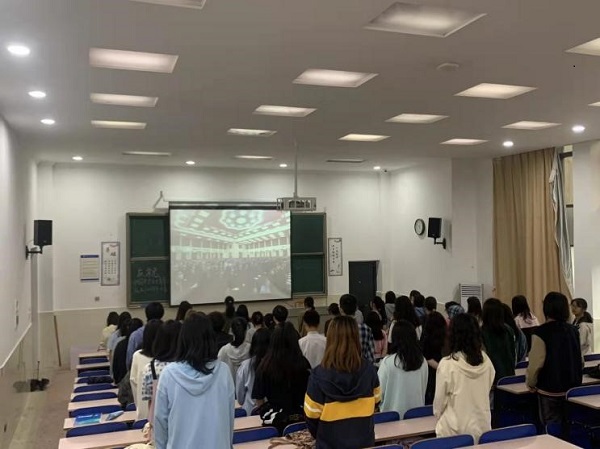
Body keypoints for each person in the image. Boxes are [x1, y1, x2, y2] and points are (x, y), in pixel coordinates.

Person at [154, 313, 234, 449]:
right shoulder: (223, 372)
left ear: (182, 340)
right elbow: (229, 418)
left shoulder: (168, 374)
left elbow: (160, 422)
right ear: (211, 339)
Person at [304, 316, 381, 449]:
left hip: (329, 444)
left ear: (330, 339)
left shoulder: (317, 376)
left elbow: (311, 417)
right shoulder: (369, 370)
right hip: (364, 442)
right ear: (356, 338)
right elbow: (376, 402)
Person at [434, 313, 495, 442]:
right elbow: (488, 388)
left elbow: (439, 404)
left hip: (453, 432)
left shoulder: (447, 364)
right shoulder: (487, 361)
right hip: (482, 428)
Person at [527, 292, 582, 428]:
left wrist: (531, 383)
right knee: (569, 428)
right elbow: (581, 361)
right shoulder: (573, 330)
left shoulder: (540, 332)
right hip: (571, 389)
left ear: (546, 309)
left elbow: (536, 363)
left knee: (551, 429)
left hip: (549, 389)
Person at [252, 322, 311, 433]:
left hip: (274, 422)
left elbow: (259, 397)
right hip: (300, 420)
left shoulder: (265, 366)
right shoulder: (303, 364)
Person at [378, 320, 428, 418]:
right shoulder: (422, 361)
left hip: (391, 418)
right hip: (417, 416)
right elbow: (423, 389)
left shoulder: (387, 362)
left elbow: (379, 393)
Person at [138, 320, 182, 426]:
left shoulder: (150, 368)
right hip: (183, 422)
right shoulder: (187, 367)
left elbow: (149, 402)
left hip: (159, 423)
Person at [130, 319, 162, 419]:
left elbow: (134, 384)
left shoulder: (137, 355)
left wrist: (139, 406)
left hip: (143, 413)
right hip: (161, 416)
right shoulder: (168, 360)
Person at [236, 328, 271, 416]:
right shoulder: (276, 366)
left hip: (250, 413)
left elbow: (240, 398)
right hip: (271, 413)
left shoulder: (245, 366)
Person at [481, 298, 516, 383]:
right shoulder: (508, 330)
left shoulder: (481, 332)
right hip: (509, 376)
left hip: (491, 378)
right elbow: (513, 353)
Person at [127, 302, 165, 369]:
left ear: (146, 314)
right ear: (162, 314)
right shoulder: (168, 332)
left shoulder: (135, 335)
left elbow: (129, 362)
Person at [421, 311, 448, 404]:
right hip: (444, 371)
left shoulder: (426, 338)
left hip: (432, 372)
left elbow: (427, 358)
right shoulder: (447, 338)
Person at [339, 294, 375, 363]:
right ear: (356, 309)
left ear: (340, 310)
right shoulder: (366, 329)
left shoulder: (335, 329)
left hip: (339, 367)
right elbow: (370, 357)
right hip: (361, 367)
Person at [113, 318, 143, 384]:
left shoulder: (120, 344)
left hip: (122, 381)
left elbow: (115, 367)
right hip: (137, 381)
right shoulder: (142, 346)